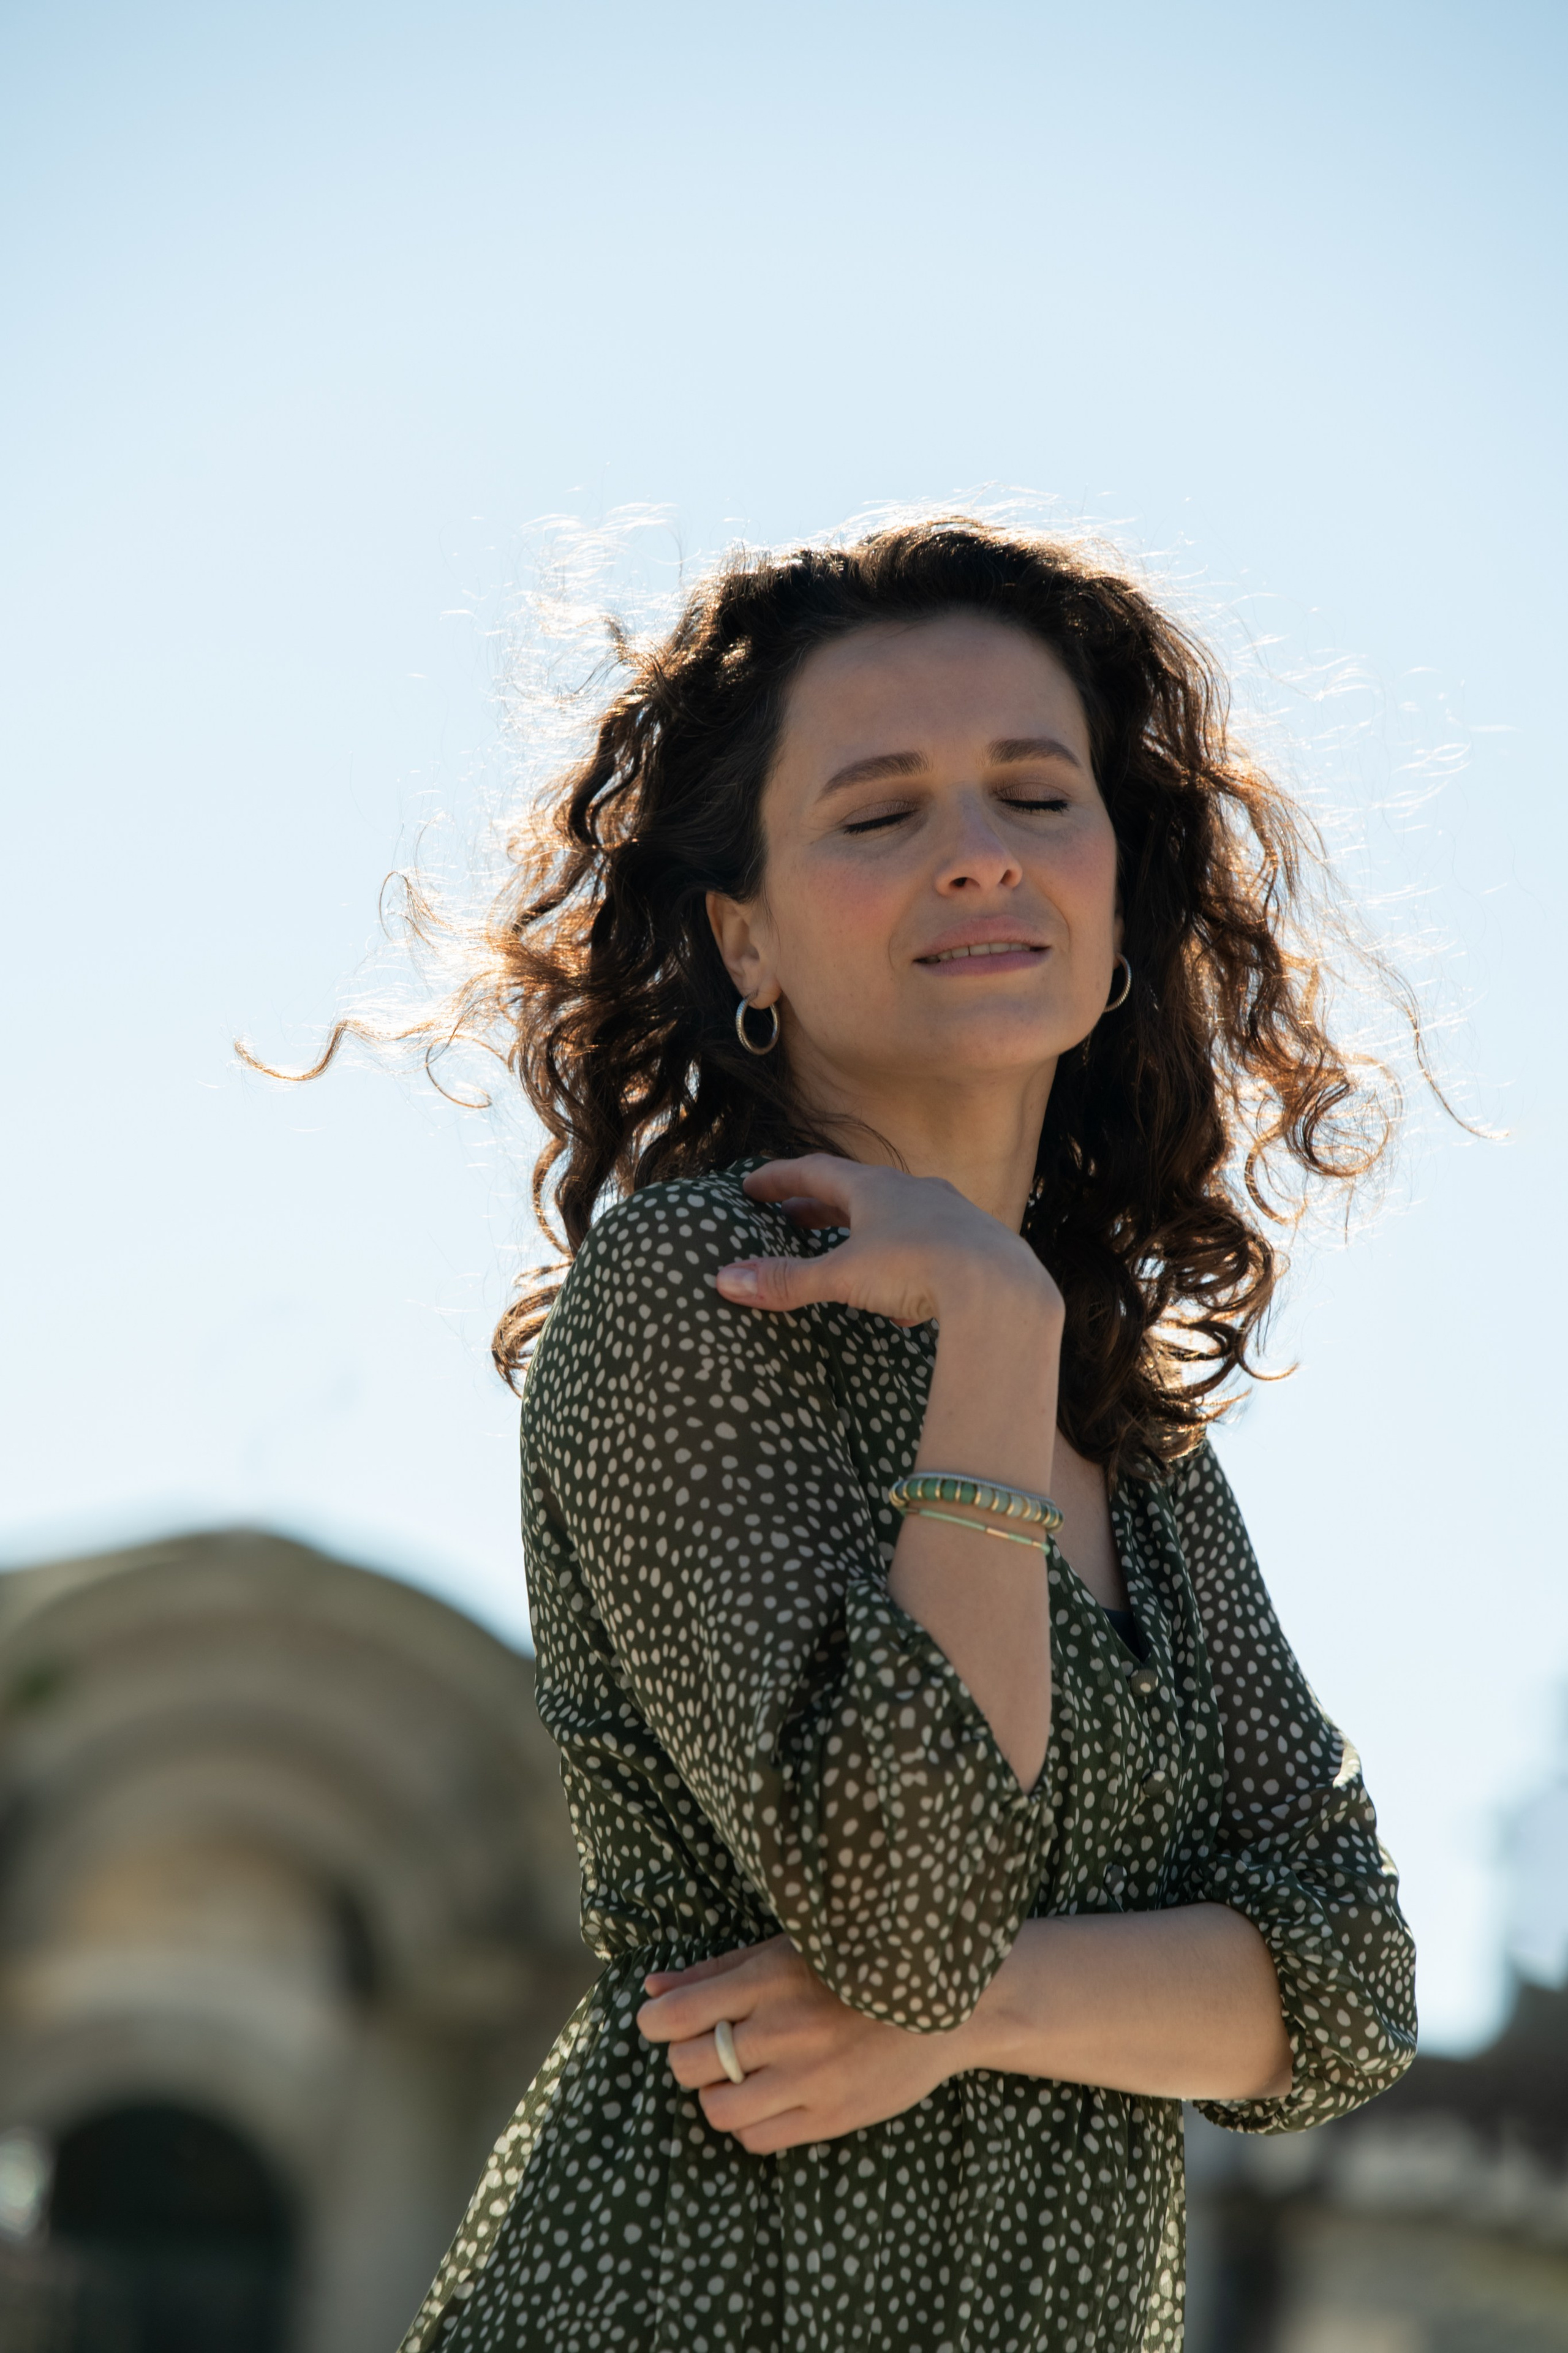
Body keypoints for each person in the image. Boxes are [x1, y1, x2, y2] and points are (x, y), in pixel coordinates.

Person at [383, 519, 1417, 2352]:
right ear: (744, 932)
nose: (977, 853)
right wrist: (994, 1341)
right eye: (880, 813)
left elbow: (1348, 1980)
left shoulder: (1139, 1437)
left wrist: (978, 2007)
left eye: (1037, 792)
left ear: (1117, 890)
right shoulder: (697, 1296)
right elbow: (906, 1908)